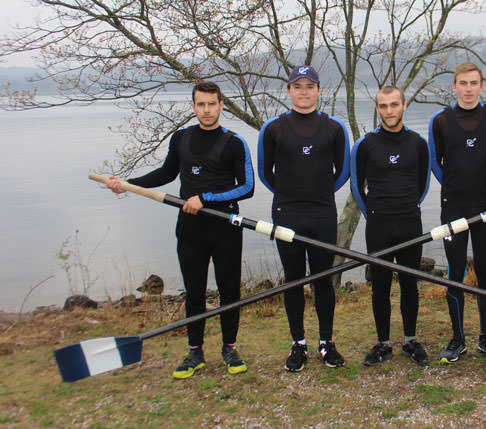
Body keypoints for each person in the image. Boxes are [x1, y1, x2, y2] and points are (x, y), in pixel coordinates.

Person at [107, 81, 255, 379]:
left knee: (229, 289)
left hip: (225, 225)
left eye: (211, 104)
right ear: (193, 106)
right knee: (194, 290)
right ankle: (195, 352)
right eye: (201, 104)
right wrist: (128, 184)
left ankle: (229, 348)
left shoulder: (234, 143)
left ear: (221, 105)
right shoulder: (181, 139)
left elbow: (247, 187)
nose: (206, 110)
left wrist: (205, 199)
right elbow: (165, 173)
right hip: (190, 226)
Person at [257, 65, 350, 372]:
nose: (304, 92)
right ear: (288, 90)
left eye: (310, 86)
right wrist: (289, 194)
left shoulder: (334, 127)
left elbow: (343, 172)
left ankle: (326, 342)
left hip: (322, 214)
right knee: (293, 280)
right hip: (287, 213)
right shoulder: (273, 128)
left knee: (323, 280)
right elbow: (265, 173)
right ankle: (298, 344)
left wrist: (319, 192)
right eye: (297, 86)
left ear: (319, 90)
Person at [428, 62, 486, 365]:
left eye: (473, 83)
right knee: (455, 270)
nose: (468, 89)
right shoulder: (440, 120)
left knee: (485, 268)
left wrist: (485, 182)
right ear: (454, 86)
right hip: (453, 204)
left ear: (481, 86)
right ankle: (458, 339)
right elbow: (435, 162)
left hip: (485, 202)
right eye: (463, 83)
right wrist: (453, 184)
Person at [351, 86, 431, 366]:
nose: (389, 111)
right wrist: (372, 213)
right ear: (377, 109)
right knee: (380, 285)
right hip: (379, 225)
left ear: (404, 105)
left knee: (410, 283)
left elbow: (423, 185)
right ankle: (383, 343)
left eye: (394, 104)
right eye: (383, 106)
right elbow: (357, 187)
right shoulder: (365, 144)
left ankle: (410, 341)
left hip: (410, 222)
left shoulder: (418, 143)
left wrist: (407, 205)